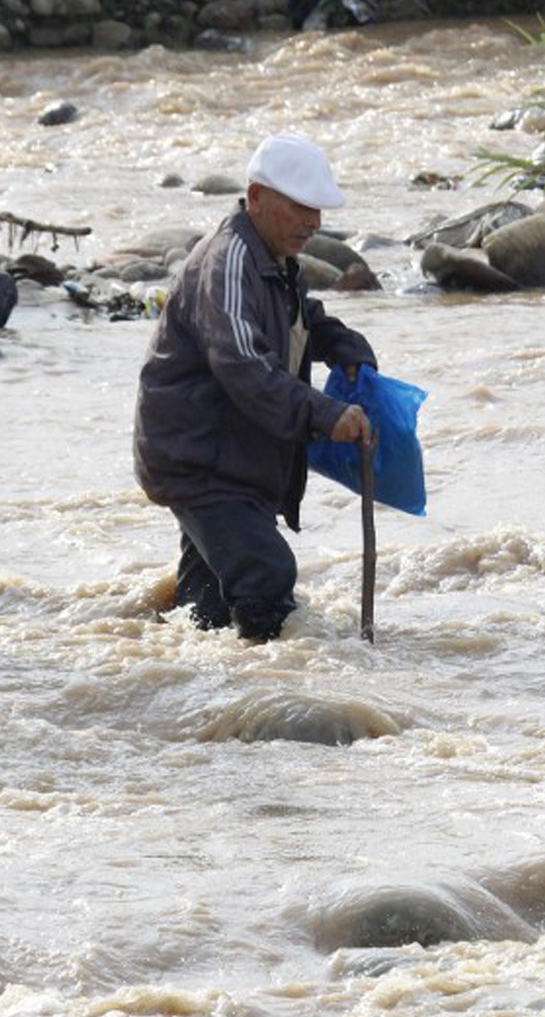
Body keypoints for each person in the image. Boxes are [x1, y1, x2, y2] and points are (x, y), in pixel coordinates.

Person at [133, 132, 377, 643]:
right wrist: (324, 414)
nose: (312, 224)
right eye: (300, 207)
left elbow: (299, 317)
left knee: (210, 610)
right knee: (267, 576)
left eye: (317, 210)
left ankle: (205, 696)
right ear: (257, 196)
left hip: (231, 458)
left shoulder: (274, 260)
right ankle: (267, 694)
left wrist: (342, 344)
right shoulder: (227, 261)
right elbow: (243, 362)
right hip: (201, 462)